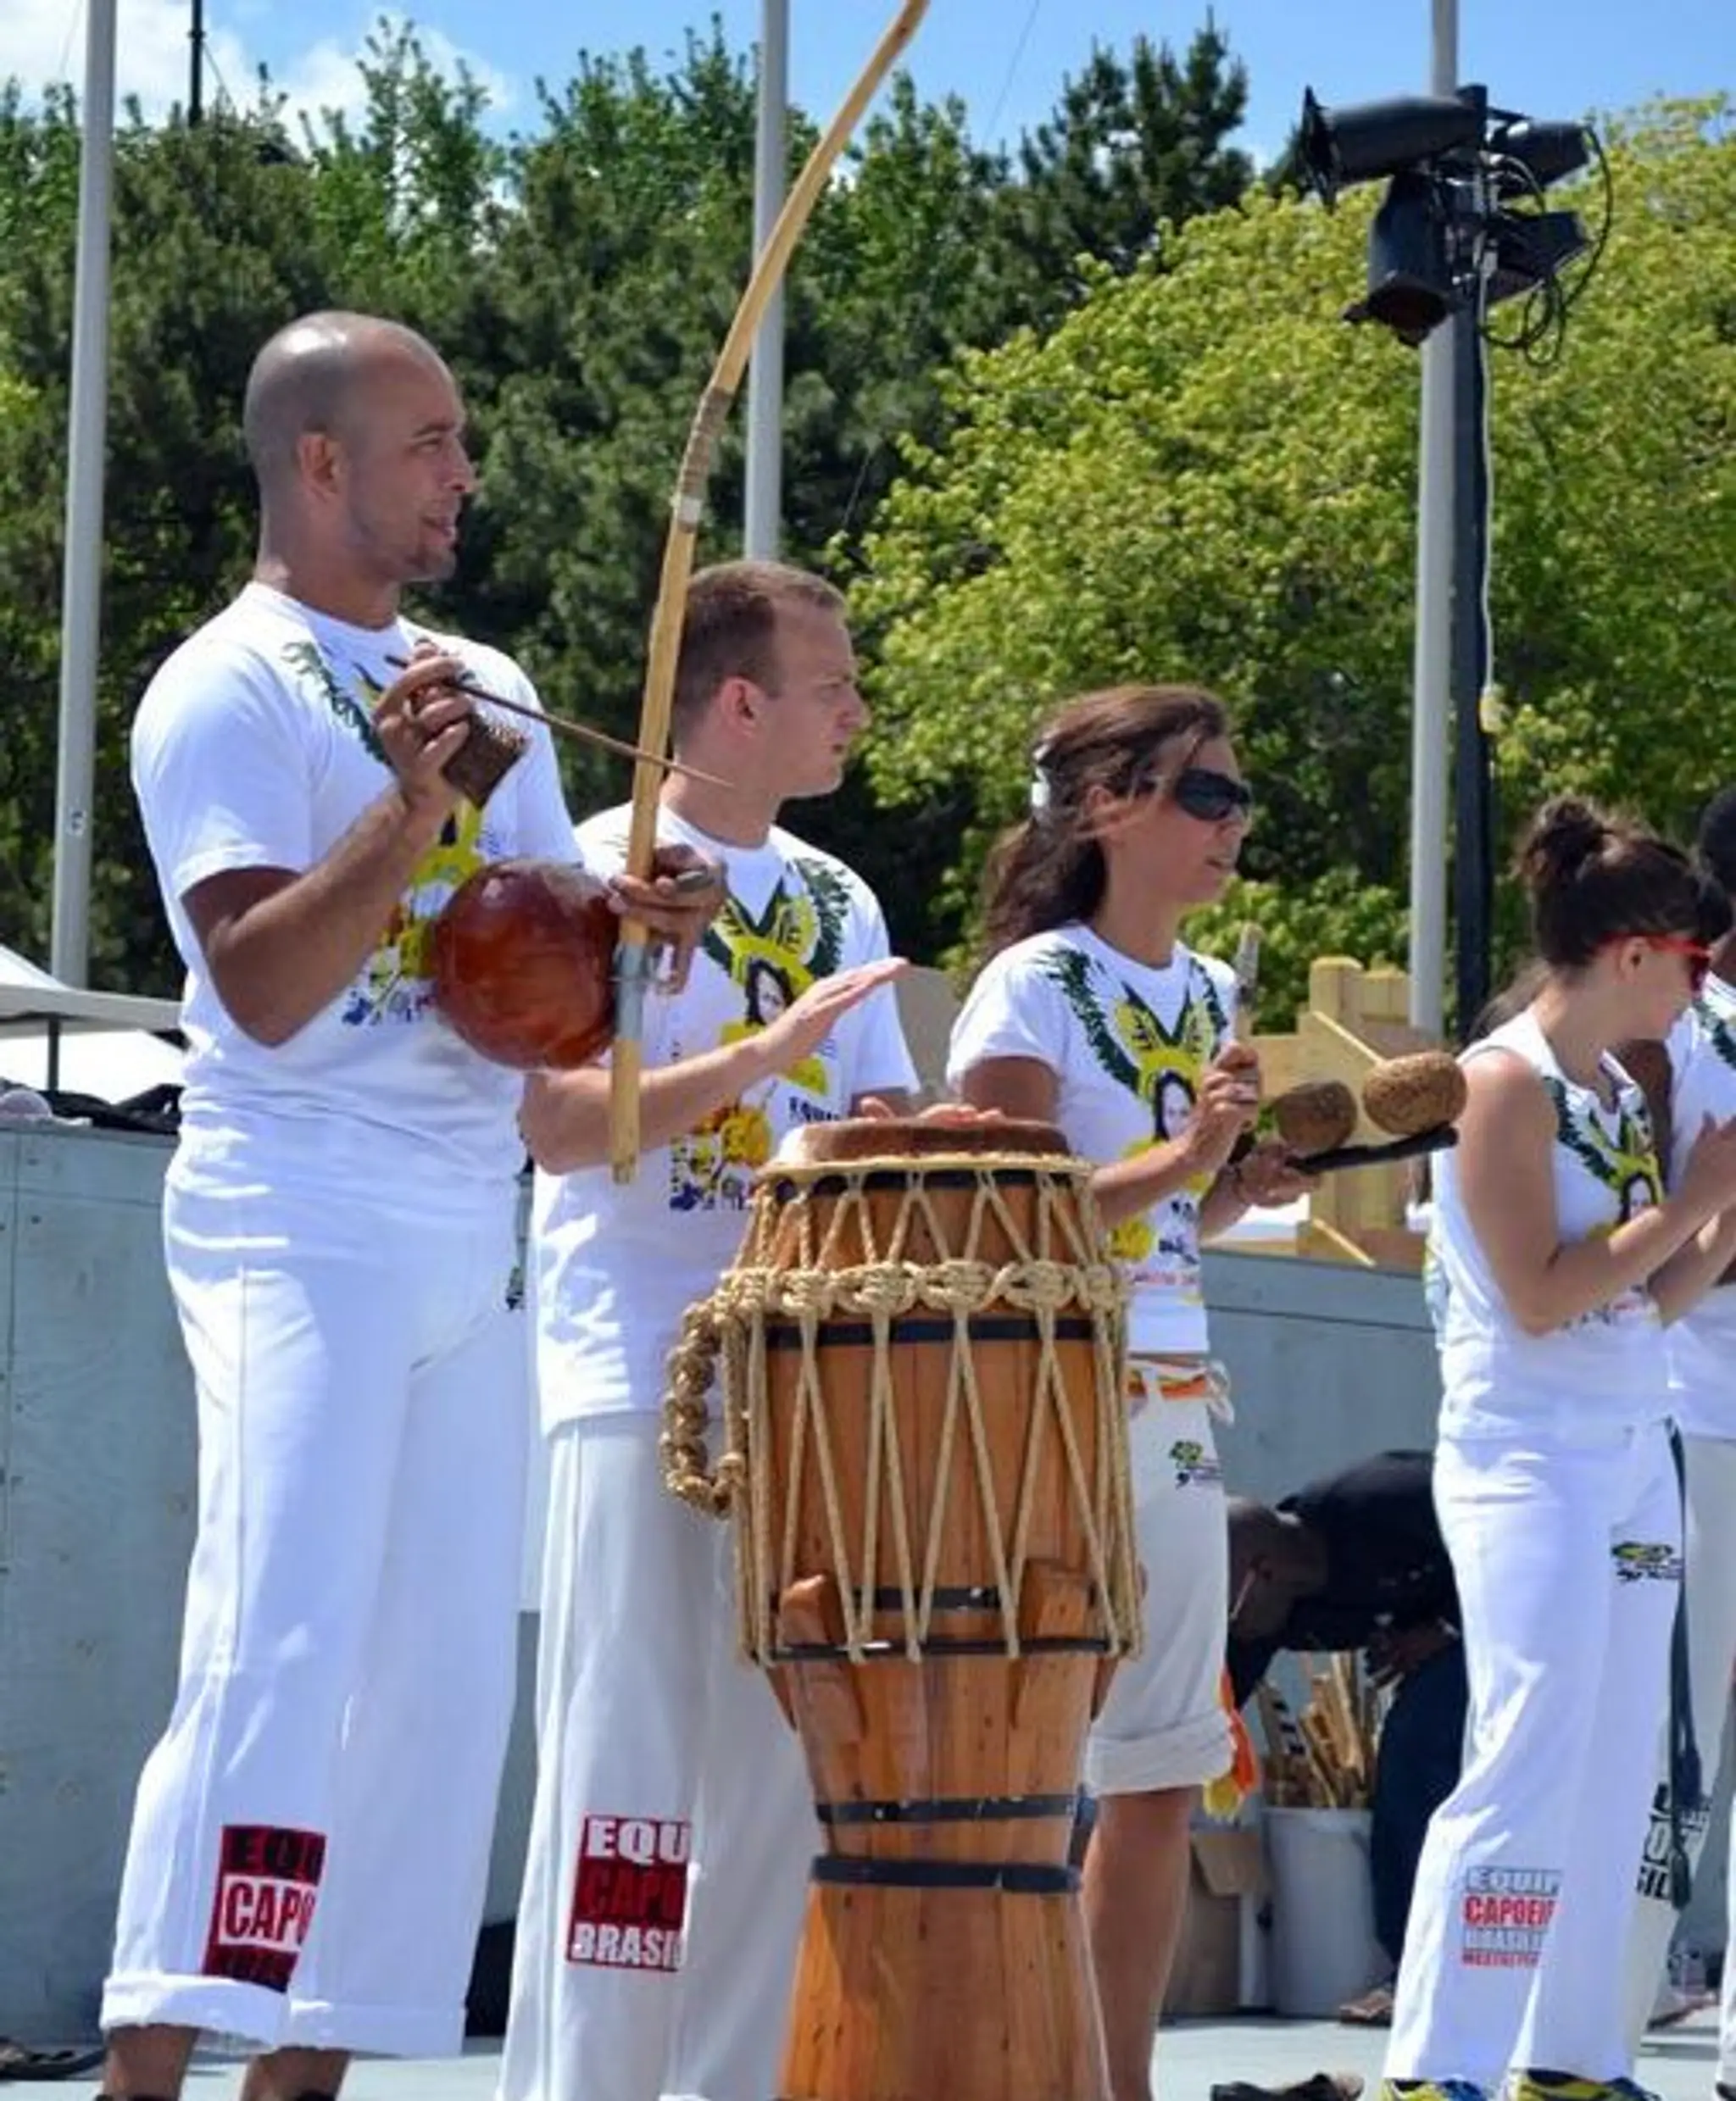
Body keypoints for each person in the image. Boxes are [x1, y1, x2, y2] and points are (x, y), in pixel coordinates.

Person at [100, 310, 721, 2101]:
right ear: (321, 463)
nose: (465, 470)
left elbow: (523, 971)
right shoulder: (221, 681)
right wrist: (405, 803)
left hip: (470, 1227)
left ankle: (316, 2073)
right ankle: (155, 2056)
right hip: (297, 1214)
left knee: (445, 1681)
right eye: (431, 440)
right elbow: (262, 989)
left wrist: (632, 924)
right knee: (279, 1635)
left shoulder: (489, 676)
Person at [500, 559, 920, 2101]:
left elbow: (866, 1109)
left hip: (804, 1381)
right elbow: (556, 1125)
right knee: (629, 1777)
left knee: (774, 1780)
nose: (856, 711)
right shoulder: (593, 871)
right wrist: (767, 1053)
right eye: (833, 685)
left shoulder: (838, 893)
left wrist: (902, 1127)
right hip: (635, 1368)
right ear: (737, 701)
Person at [944, 683, 1312, 2101]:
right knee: (1031, 1763)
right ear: (1106, 806)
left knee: (1156, 1767)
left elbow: (1166, 1222)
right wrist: (1181, 1159)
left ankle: (1118, 2080)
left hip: (1170, 1389)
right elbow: (1002, 1214)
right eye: (1203, 793)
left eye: (1233, 794)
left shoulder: (1210, 985)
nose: (1233, 820)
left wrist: (1231, 1182)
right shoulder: (1031, 985)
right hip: (1047, 1397)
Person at [1378, 796, 1736, 2101]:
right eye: (1694, 963)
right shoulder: (1503, 1082)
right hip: (1526, 1457)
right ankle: (1436, 2061)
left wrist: (1717, 1218)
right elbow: (1539, 1290)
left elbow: (1643, 1300)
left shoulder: (1606, 1085)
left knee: (1618, 1756)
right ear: (1635, 952)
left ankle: (1571, 2055)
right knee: (1526, 1741)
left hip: (1630, 1439)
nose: (1701, 990)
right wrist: (1694, 1201)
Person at [1621, 784, 1736, 2070]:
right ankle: (1600, 2027)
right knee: (1674, 1750)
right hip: (1687, 1416)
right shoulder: (1674, 1027)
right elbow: (1657, 1236)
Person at [1227, 1452, 1466, 2027]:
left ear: (1265, 1570)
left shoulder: (1381, 1498)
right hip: (1442, 1642)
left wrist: (1446, 1627)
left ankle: (1421, 1971)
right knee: (1406, 1757)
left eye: (1226, 1608)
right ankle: (1418, 1960)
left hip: (1517, 1617)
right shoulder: (1272, 1609)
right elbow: (1220, 1701)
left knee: (1416, 1745)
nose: (1226, 1624)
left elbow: (1508, 1537)